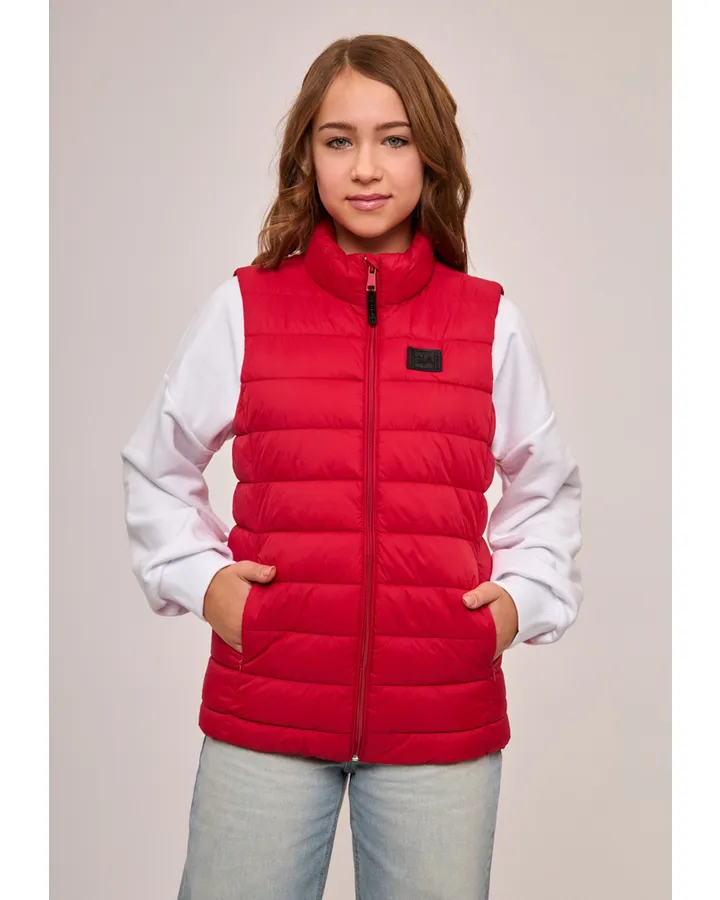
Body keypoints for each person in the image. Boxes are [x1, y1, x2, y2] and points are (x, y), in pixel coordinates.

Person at [121, 33, 583, 900]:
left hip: (439, 716)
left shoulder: (487, 321)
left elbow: (545, 487)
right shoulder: (246, 308)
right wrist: (204, 583)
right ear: (309, 155)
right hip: (267, 705)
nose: (366, 167)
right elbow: (157, 464)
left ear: (430, 153)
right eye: (340, 140)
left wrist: (517, 604)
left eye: (393, 139)